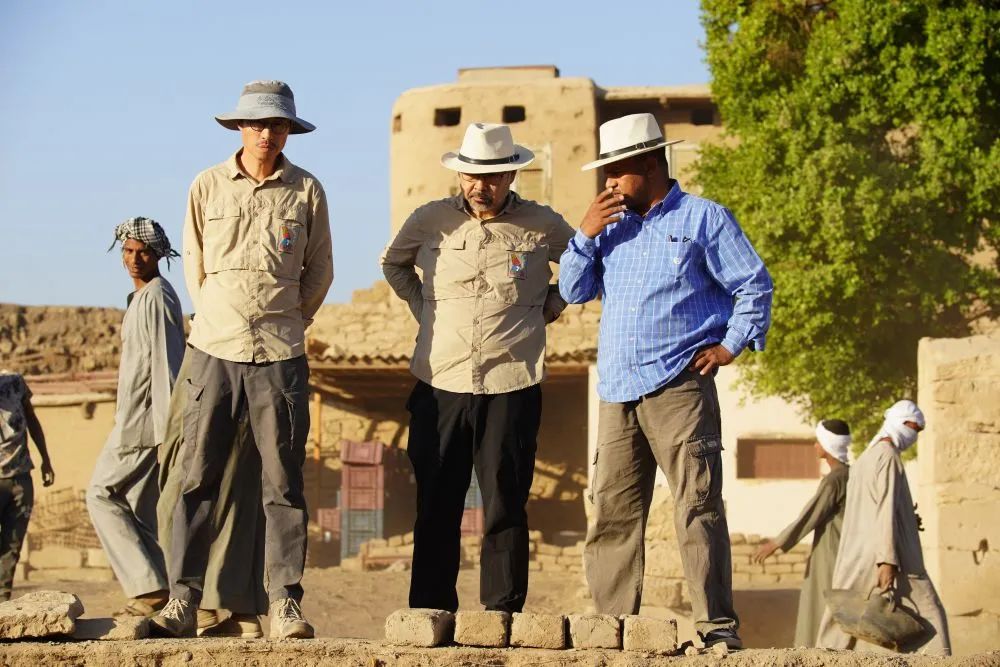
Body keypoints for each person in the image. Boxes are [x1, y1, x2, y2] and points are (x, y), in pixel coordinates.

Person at [559, 113, 773, 649]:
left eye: (617, 171)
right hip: (617, 390)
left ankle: (717, 629)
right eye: (605, 172)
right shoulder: (608, 229)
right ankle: (610, 630)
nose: (609, 183)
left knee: (697, 505)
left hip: (680, 385)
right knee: (612, 512)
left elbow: (754, 285)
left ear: (651, 164)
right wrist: (584, 235)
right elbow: (572, 291)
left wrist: (730, 345)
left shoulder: (705, 219)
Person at [151, 80, 333, 639]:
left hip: (280, 354)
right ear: (239, 128)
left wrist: (288, 320)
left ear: (288, 131)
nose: (265, 134)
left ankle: (285, 604)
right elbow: (195, 266)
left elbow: (319, 271)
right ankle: (182, 599)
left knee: (283, 484)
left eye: (276, 125)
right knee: (196, 478)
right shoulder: (207, 185)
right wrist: (217, 319)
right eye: (256, 124)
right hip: (214, 350)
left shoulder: (307, 190)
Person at [380, 122, 575, 613]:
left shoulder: (542, 225)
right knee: (436, 501)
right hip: (439, 381)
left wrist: (549, 308)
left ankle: (502, 611)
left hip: (512, 381)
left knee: (505, 502)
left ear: (511, 176)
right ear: (460, 174)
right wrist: (424, 310)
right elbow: (394, 265)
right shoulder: (429, 220)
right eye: (471, 175)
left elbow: (584, 267)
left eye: (491, 177)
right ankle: (430, 610)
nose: (479, 186)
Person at [87, 217, 185, 617]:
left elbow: (167, 364)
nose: (134, 259)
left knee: (100, 493)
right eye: (128, 251)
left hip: (143, 424)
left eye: (143, 252)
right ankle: (171, 592)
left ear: (158, 254)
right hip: (134, 419)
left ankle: (147, 588)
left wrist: (168, 433)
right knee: (138, 508)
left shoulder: (157, 297)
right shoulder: (142, 298)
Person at [816, 400, 951, 656]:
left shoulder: (867, 458)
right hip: (889, 553)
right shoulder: (888, 456)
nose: (913, 435)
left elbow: (872, 507)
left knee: (844, 615)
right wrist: (887, 560)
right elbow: (885, 508)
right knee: (930, 612)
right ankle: (941, 660)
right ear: (899, 423)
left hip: (857, 555)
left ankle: (820, 657)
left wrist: (907, 518)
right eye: (912, 427)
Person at [157, 354, 266, 638]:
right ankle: (241, 613)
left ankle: (200, 606)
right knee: (236, 500)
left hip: (225, 360)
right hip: (220, 358)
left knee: (183, 503)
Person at [754, 419, 852, 647]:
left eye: (818, 441)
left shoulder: (834, 480)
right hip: (846, 553)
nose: (815, 445)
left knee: (821, 606)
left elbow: (810, 516)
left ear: (828, 445)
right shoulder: (851, 475)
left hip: (831, 553)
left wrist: (777, 543)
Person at [0, 371, 54, 601]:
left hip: (20, 478)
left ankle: (3, 602)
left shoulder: (14, 383)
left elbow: (32, 419)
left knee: (12, 545)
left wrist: (45, 459)